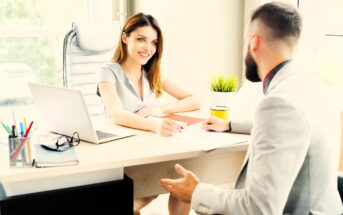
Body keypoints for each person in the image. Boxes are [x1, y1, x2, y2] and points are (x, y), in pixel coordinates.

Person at [160, 2, 343, 214]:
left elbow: (259, 208)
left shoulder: (279, 103)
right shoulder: (312, 85)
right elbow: (291, 127)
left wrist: (196, 193)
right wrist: (229, 125)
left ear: (254, 42)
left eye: (246, 42)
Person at [97, 13, 199, 215]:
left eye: (154, 43)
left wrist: (162, 109)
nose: (148, 48)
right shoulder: (108, 72)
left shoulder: (152, 73)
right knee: (137, 196)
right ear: (125, 38)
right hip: (121, 148)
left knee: (181, 180)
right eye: (141, 39)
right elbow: (117, 113)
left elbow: (194, 100)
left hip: (150, 145)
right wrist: (155, 125)